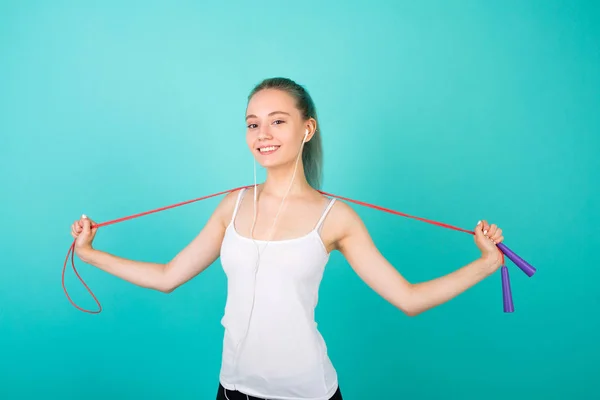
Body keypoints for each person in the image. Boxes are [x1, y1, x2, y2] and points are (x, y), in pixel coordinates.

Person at [70, 77, 505, 400]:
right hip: (231, 390)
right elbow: (168, 276)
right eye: (253, 124)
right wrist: (90, 255)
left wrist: (486, 264)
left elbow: (408, 298)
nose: (263, 134)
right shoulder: (232, 205)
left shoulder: (337, 218)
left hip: (306, 395)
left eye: (278, 121)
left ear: (307, 129)